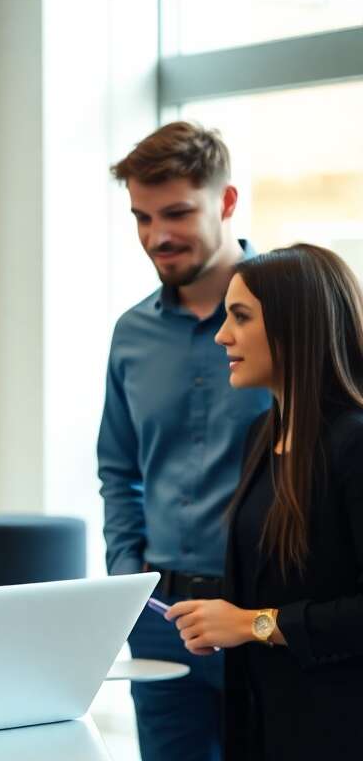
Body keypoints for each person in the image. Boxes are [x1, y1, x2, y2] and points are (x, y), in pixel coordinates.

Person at [98, 121, 271, 761]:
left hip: (265, 612)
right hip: (163, 614)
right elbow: (119, 470)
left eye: (176, 213)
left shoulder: (290, 321)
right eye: (142, 217)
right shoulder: (131, 334)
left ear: (226, 202)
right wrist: (128, 580)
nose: (157, 236)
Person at [168, 244, 363, 759]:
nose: (221, 335)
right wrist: (222, 619)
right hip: (264, 719)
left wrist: (253, 624)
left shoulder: (354, 444)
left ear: (295, 326)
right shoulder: (263, 434)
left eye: (240, 317)